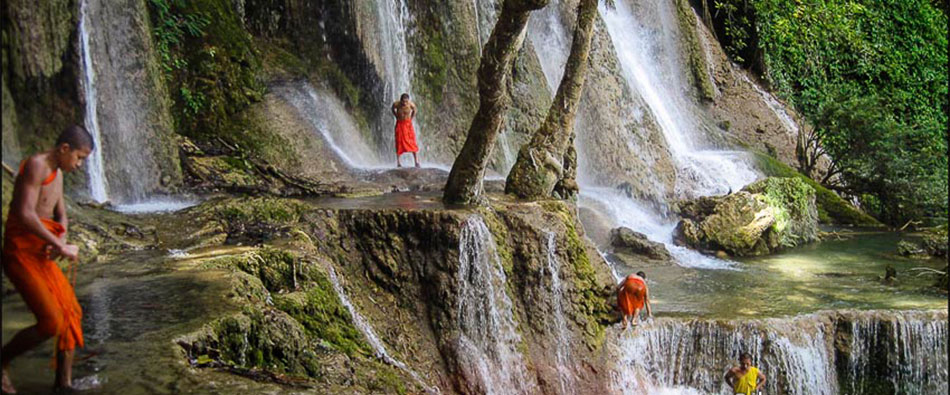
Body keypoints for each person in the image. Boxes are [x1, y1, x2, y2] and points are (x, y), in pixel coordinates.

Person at [2, 125, 93, 393]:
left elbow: (60, 214)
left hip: (42, 254)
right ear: (64, 149)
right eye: (78, 158)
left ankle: (62, 384)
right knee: (51, 321)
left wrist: (61, 238)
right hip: (20, 253)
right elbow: (25, 213)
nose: (78, 165)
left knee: (71, 312)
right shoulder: (35, 166)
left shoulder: (59, 175)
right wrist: (59, 245)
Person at [391, 93, 420, 168]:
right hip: (400, 124)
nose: (404, 103)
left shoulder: (411, 105)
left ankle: (416, 162)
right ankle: (398, 162)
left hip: (408, 124)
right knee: (399, 142)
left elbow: (415, 110)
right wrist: (396, 115)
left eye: (406, 101)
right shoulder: (396, 104)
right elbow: (392, 108)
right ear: (401, 101)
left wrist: (411, 118)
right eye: (403, 101)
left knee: (412, 142)